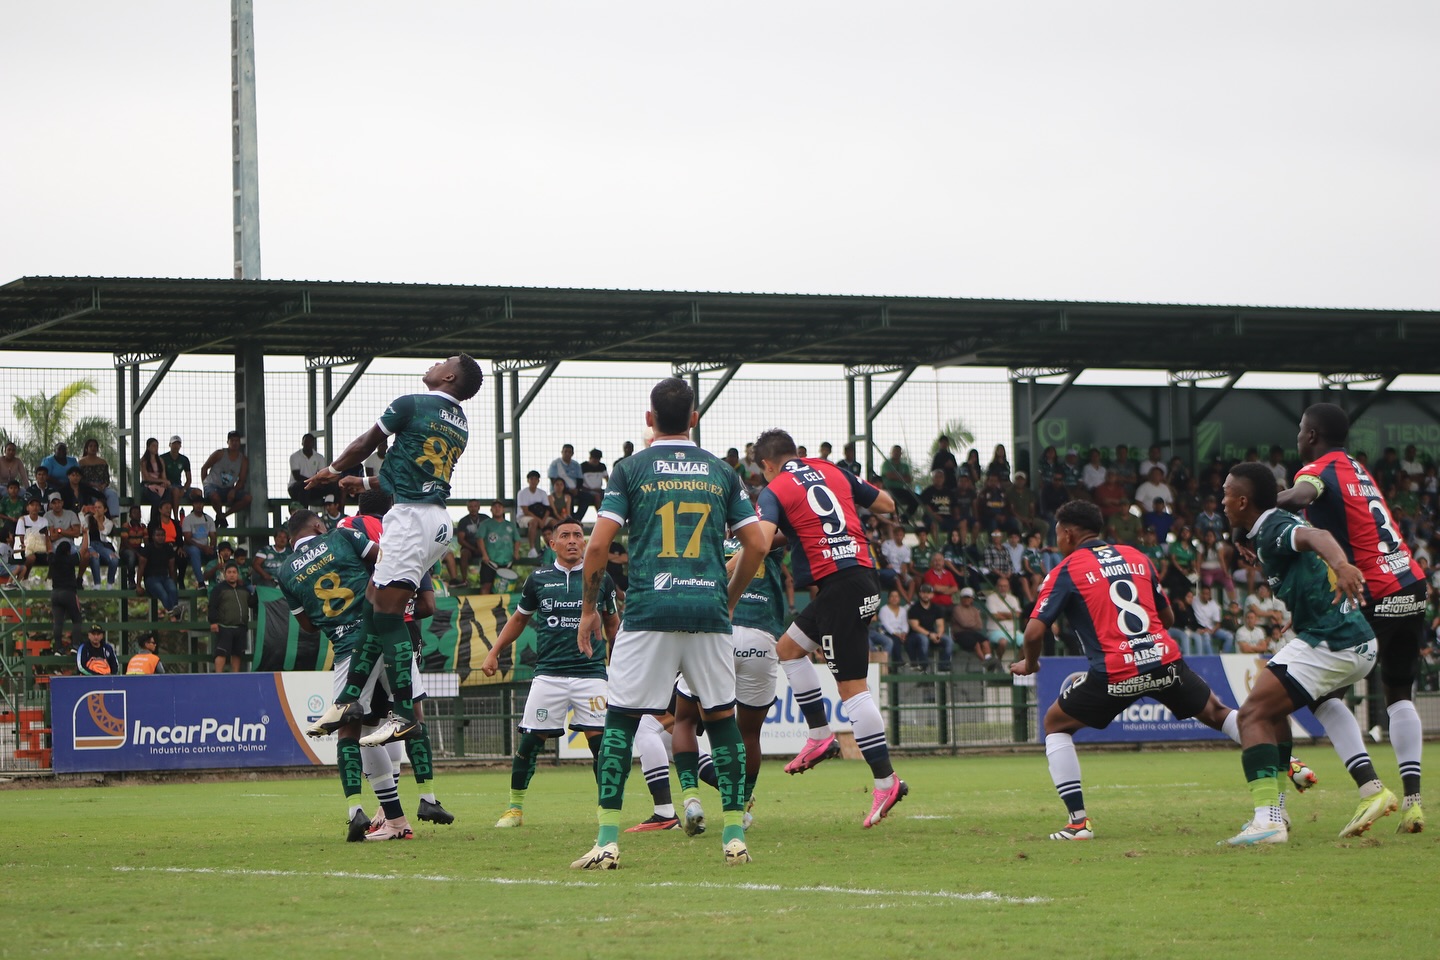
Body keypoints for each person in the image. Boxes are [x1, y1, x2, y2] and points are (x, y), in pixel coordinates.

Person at [569, 378, 767, 870]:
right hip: (708, 613)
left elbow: (598, 546)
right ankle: (735, 835)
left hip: (649, 610)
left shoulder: (630, 469)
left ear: (649, 419)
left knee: (621, 718)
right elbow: (758, 544)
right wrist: (727, 595)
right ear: (694, 419)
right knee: (721, 719)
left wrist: (590, 609)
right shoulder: (722, 471)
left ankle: (608, 840)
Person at [1011, 500, 1244, 840]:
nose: (1057, 540)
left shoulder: (1066, 570)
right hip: (1164, 660)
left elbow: (1034, 632)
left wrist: (1030, 664)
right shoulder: (1137, 557)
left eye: (1058, 534)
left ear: (1069, 534)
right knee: (1217, 712)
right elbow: (1167, 619)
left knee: (1055, 724)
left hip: (1116, 671)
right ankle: (1287, 759)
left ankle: (1078, 823)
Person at [305, 355, 483, 748]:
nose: (436, 363)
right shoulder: (460, 423)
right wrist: (364, 481)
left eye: (444, 361)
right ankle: (348, 701)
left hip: (408, 520)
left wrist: (333, 472)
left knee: (387, 617)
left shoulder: (410, 403)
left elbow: (366, 443)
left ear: (449, 376)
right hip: (434, 520)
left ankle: (405, 714)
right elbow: (408, 473)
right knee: (373, 607)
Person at [1220, 462, 1400, 845]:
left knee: (1252, 714)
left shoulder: (1272, 529)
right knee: (1284, 710)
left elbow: (1313, 535)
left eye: (1225, 494)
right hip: (1350, 638)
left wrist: (1343, 565)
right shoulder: (1265, 529)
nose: (1221, 501)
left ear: (1242, 500)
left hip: (1334, 640)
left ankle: (1268, 819)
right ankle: (1369, 790)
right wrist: (1301, 616)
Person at [1278, 402, 1427, 833]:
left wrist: (1258, 503)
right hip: (1411, 585)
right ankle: (1415, 803)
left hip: (1375, 591)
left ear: (1311, 435)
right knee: (1399, 694)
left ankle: (1372, 789)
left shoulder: (1317, 470)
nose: (1299, 436)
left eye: (1301, 429)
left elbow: (1302, 497)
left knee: (1322, 696)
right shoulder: (1357, 469)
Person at [753, 427, 908, 829]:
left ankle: (886, 780)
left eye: (763, 471)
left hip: (839, 586)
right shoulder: (830, 469)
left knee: (852, 688)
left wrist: (731, 564)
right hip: (858, 575)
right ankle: (820, 735)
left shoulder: (775, 489)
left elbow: (762, 540)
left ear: (767, 464)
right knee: (787, 649)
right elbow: (888, 504)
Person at [277, 509, 426, 841]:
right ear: (318, 525)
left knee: (352, 730)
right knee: (407, 715)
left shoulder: (285, 572)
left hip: (348, 648)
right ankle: (425, 800)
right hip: (386, 631)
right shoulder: (341, 536)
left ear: (291, 539)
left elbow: (308, 625)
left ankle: (394, 819)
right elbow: (384, 561)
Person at [482, 517, 620, 827]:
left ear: (584, 542)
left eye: (577, 535)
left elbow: (612, 623)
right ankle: (515, 809)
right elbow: (518, 620)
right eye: (565, 535)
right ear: (551, 543)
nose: (573, 540)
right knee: (530, 742)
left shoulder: (601, 578)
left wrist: (622, 661)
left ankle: (605, 812)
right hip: (549, 675)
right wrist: (494, 651)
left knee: (602, 745)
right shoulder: (538, 579)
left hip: (591, 675)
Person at [671, 532, 789, 834]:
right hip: (759, 637)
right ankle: (742, 806)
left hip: (714, 632)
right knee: (749, 733)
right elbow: (788, 529)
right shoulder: (764, 540)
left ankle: (691, 800)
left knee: (683, 720)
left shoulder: (699, 540)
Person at [199, 430, 252, 527]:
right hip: (212, 484)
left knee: (247, 498)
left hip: (228, 488)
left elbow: (241, 480)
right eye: (232, 441)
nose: (235, 443)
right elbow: (204, 468)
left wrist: (234, 490)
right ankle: (220, 515)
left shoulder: (243, 460)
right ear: (228, 442)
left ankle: (222, 516)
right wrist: (205, 484)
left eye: (237, 441)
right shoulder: (220, 453)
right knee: (214, 496)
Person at [207, 562, 251, 673]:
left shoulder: (244, 589)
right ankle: (218, 675)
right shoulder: (218, 589)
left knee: (237, 653)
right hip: (224, 626)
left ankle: (235, 675)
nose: (232, 575)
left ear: (238, 574)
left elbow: (252, 602)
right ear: (225, 574)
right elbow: (212, 605)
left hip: (240, 626)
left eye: (234, 572)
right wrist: (213, 622)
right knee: (221, 652)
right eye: (229, 572)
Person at [476, 500, 521, 593]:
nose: (497, 509)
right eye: (495, 507)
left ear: (503, 509)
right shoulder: (485, 524)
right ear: (491, 510)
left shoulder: (510, 525)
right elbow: (479, 539)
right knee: (486, 586)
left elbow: (517, 540)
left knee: (505, 588)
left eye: (499, 507)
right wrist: (484, 554)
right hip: (490, 561)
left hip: (507, 561)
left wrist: (516, 552)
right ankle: (484, 607)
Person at [905, 584, 952, 672]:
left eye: (928, 593)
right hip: (915, 635)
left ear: (932, 595)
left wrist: (938, 635)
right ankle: (923, 665)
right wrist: (930, 634)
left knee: (948, 640)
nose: (926, 595)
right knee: (924, 639)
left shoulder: (936, 608)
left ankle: (943, 665)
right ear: (919, 594)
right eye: (924, 593)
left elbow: (940, 625)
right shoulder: (914, 608)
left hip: (932, 634)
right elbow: (915, 626)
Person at [49, 541, 84, 654]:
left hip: (55, 593)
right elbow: (83, 551)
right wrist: (85, 534)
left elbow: (49, 549)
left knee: (58, 622)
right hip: (68, 592)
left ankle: (58, 648)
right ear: (68, 551)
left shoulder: (53, 558)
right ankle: (75, 645)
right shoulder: (70, 559)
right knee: (77, 620)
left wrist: (47, 537)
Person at [76, 438, 119, 518]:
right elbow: (81, 479)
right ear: (86, 448)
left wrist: (103, 485)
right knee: (95, 495)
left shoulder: (103, 462)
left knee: (112, 494)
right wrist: (94, 485)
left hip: (102, 486)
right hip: (89, 487)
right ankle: (98, 515)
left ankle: (112, 516)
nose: (93, 448)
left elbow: (106, 478)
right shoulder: (81, 462)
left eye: (95, 446)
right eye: (91, 446)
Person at [515, 470, 550, 557]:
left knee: (555, 523)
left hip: (541, 517)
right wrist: (539, 521)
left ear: (538, 481)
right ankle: (532, 549)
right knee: (534, 522)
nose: (533, 481)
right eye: (531, 479)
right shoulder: (522, 493)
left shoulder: (542, 493)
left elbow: (548, 509)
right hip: (524, 517)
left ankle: (554, 545)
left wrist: (544, 520)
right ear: (528, 480)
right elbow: (525, 511)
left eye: (535, 479)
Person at [870, 588, 908, 666]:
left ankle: (915, 665)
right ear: (888, 598)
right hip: (887, 632)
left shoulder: (903, 610)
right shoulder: (884, 610)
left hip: (901, 634)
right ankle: (894, 663)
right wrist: (897, 634)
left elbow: (905, 624)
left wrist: (904, 633)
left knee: (911, 640)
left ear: (899, 599)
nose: (894, 598)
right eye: (892, 596)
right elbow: (886, 625)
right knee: (894, 640)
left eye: (896, 596)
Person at [288, 433, 329, 504]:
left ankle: (334, 511)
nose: (307, 444)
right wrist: (313, 482)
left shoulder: (319, 457)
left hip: (313, 487)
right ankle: (304, 513)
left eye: (310, 442)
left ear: (313, 444)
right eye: (306, 442)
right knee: (304, 486)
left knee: (331, 486)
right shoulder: (294, 456)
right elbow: (297, 476)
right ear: (302, 443)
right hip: (296, 488)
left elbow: (321, 475)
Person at [161, 436, 198, 509]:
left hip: (179, 486)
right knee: (176, 491)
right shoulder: (163, 458)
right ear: (170, 445)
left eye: (178, 444)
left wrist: (184, 490)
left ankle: (195, 515)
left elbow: (189, 479)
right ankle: (176, 517)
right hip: (167, 487)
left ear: (180, 446)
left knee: (197, 492)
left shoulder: (184, 459)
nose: (176, 446)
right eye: (174, 444)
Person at [139, 438, 171, 507]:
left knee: (167, 495)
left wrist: (164, 482)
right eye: (153, 446)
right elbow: (146, 478)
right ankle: (155, 517)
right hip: (147, 485)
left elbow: (163, 475)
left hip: (159, 485)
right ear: (148, 447)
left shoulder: (160, 460)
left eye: (157, 446)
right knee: (156, 499)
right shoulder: (143, 461)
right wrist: (162, 480)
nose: (156, 448)